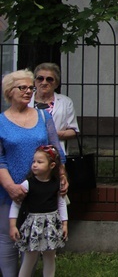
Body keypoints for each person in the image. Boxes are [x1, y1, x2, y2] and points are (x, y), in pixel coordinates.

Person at [0, 70, 68, 276]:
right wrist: (10, 187)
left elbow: (56, 151)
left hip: (42, 188)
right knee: (8, 237)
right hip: (8, 189)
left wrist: (63, 176)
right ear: (10, 91)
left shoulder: (43, 116)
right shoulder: (1, 121)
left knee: (36, 239)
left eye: (31, 87)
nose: (29, 91)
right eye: (23, 87)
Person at [10, 145, 68, 277]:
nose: (35, 165)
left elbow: (61, 203)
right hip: (33, 226)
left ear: (52, 165)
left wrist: (64, 224)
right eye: (34, 161)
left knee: (50, 257)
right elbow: (16, 205)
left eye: (39, 162)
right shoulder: (27, 184)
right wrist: (13, 225)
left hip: (51, 225)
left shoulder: (57, 183)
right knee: (29, 258)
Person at [31, 63, 80, 153]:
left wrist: (52, 134)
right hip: (29, 150)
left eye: (49, 79)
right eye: (40, 78)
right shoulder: (26, 100)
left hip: (55, 152)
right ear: (34, 81)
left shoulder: (66, 102)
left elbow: (73, 131)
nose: (44, 82)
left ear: (56, 83)